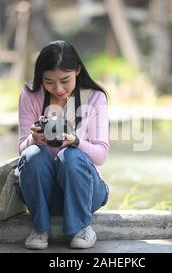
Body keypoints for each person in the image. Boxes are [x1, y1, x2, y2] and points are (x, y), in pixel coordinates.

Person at [17, 40, 110, 250]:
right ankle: (40, 229)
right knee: (32, 154)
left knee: (71, 156)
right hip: (45, 194)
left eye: (65, 80)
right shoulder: (30, 96)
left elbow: (101, 155)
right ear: (41, 77)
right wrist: (34, 139)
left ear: (77, 70)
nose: (58, 89)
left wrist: (76, 141)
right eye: (49, 82)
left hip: (85, 191)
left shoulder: (95, 98)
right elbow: (22, 148)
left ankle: (82, 228)